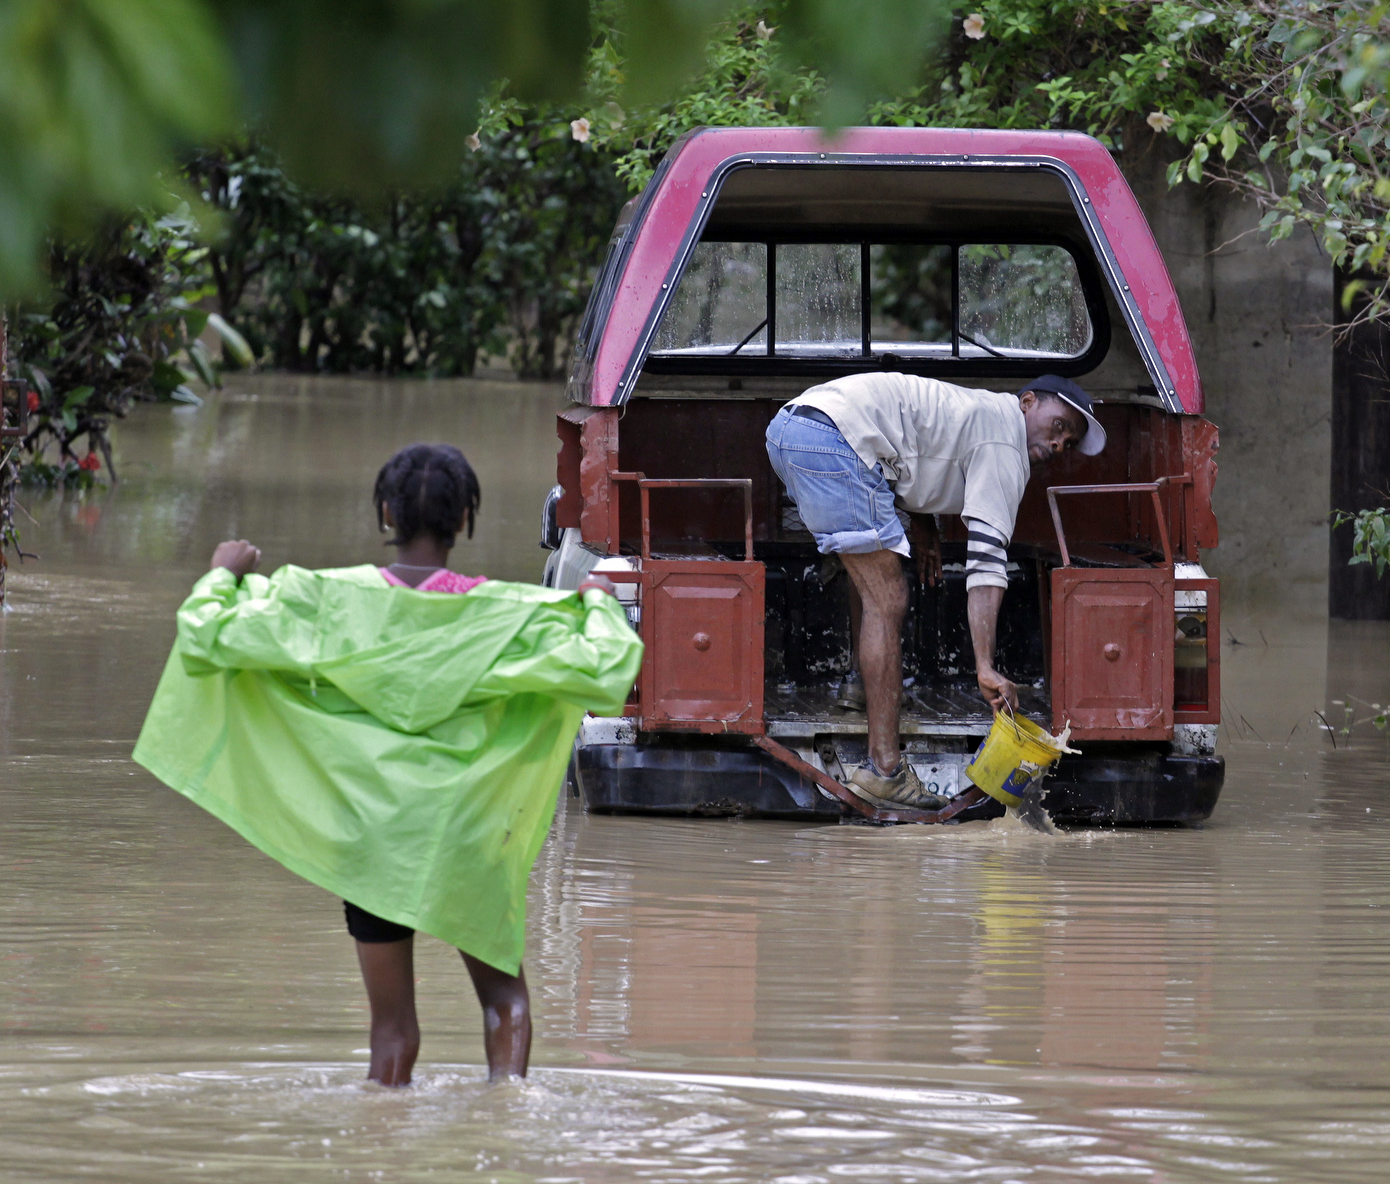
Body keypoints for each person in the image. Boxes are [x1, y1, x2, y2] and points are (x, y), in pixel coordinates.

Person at [134, 443, 642, 1087]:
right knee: (504, 1003)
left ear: (384, 513)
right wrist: (595, 597)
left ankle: (381, 1144)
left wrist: (221, 572)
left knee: (391, 1031)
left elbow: (205, 635)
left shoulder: (322, 601)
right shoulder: (509, 615)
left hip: (372, 840)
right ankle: (506, 1118)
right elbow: (608, 668)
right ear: (464, 521)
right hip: (465, 837)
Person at [764, 373, 1105, 812]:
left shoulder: (981, 412)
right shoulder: (1005, 442)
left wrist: (923, 522)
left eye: (1069, 442)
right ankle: (884, 772)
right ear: (1027, 402)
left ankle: (859, 687)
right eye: (1059, 426)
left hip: (791, 430)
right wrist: (985, 666)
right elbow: (986, 561)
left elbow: (912, 452)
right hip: (831, 438)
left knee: (868, 571)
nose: (1059, 444)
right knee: (887, 597)